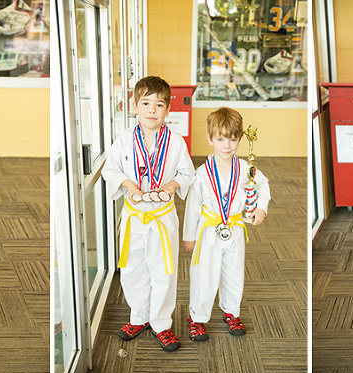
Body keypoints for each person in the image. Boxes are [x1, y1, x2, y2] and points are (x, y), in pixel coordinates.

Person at [101, 76, 195, 352]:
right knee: (132, 269)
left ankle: (161, 323)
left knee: (163, 270)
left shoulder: (176, 142)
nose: (152, 110)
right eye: (146, 103)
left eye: (159, 104)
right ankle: (139, 317)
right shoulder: (124, 139)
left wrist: (172, 185)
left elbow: (187, 173)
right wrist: (129, 185)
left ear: (168, 109)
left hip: (162, 217)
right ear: (134, 105)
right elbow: (110, 169)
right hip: (134, 217)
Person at [182, 107, 270, 341]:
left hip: (235, 228)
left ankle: (231, 311)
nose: (227, 145)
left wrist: (261, 207)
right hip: (208, 231)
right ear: (210, 139)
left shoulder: (245, 168)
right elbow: (192, 206)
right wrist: (189, 236)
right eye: (220, 139)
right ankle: (197, 318)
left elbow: (263, 185)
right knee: (205, 275)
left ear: (240, 140)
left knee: (233, 273)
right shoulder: (202, 174)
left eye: (232, 139)